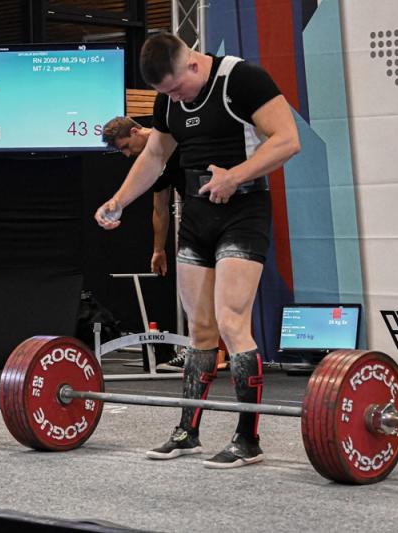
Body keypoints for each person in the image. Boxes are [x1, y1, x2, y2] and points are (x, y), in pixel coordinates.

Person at [95, 34, 300, 468]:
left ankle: (248, 439)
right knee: (200, 330)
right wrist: (118, 201)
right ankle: (187, 432)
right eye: (165, 94)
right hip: (197, 216)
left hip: (243, 211)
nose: (174, 98)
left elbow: (287, 139)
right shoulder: (168, 101)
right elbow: (154, 156)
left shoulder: (242, 79)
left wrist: (235, 176)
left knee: (231, 322)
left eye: (176, 88)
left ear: (191, 63)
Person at [101, 116, 189, 372]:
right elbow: (159, 209)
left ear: (135, 131)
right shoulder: (153, 163)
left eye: (126, 146)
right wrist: (158, 249)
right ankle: (197, 349)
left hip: (221, 205)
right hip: (195, 219)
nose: (128, 155)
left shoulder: (176, 136)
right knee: (191, 286)